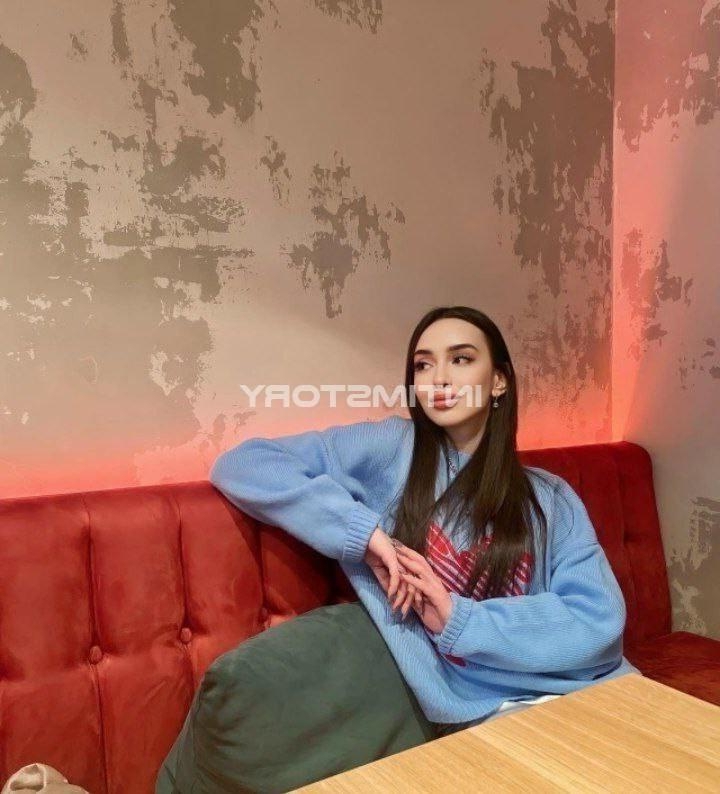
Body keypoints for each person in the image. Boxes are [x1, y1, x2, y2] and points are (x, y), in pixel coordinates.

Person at [209, 305, 641, 737]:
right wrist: (364, 535)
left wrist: (460, 620)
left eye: (461, 359)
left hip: (597, 690)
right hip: (488, 713)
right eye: (423, 365)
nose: (439, 378)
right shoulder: (392, 449)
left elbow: (598, 620)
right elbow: (244, 464)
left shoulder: (549, 497)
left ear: (499, 380)